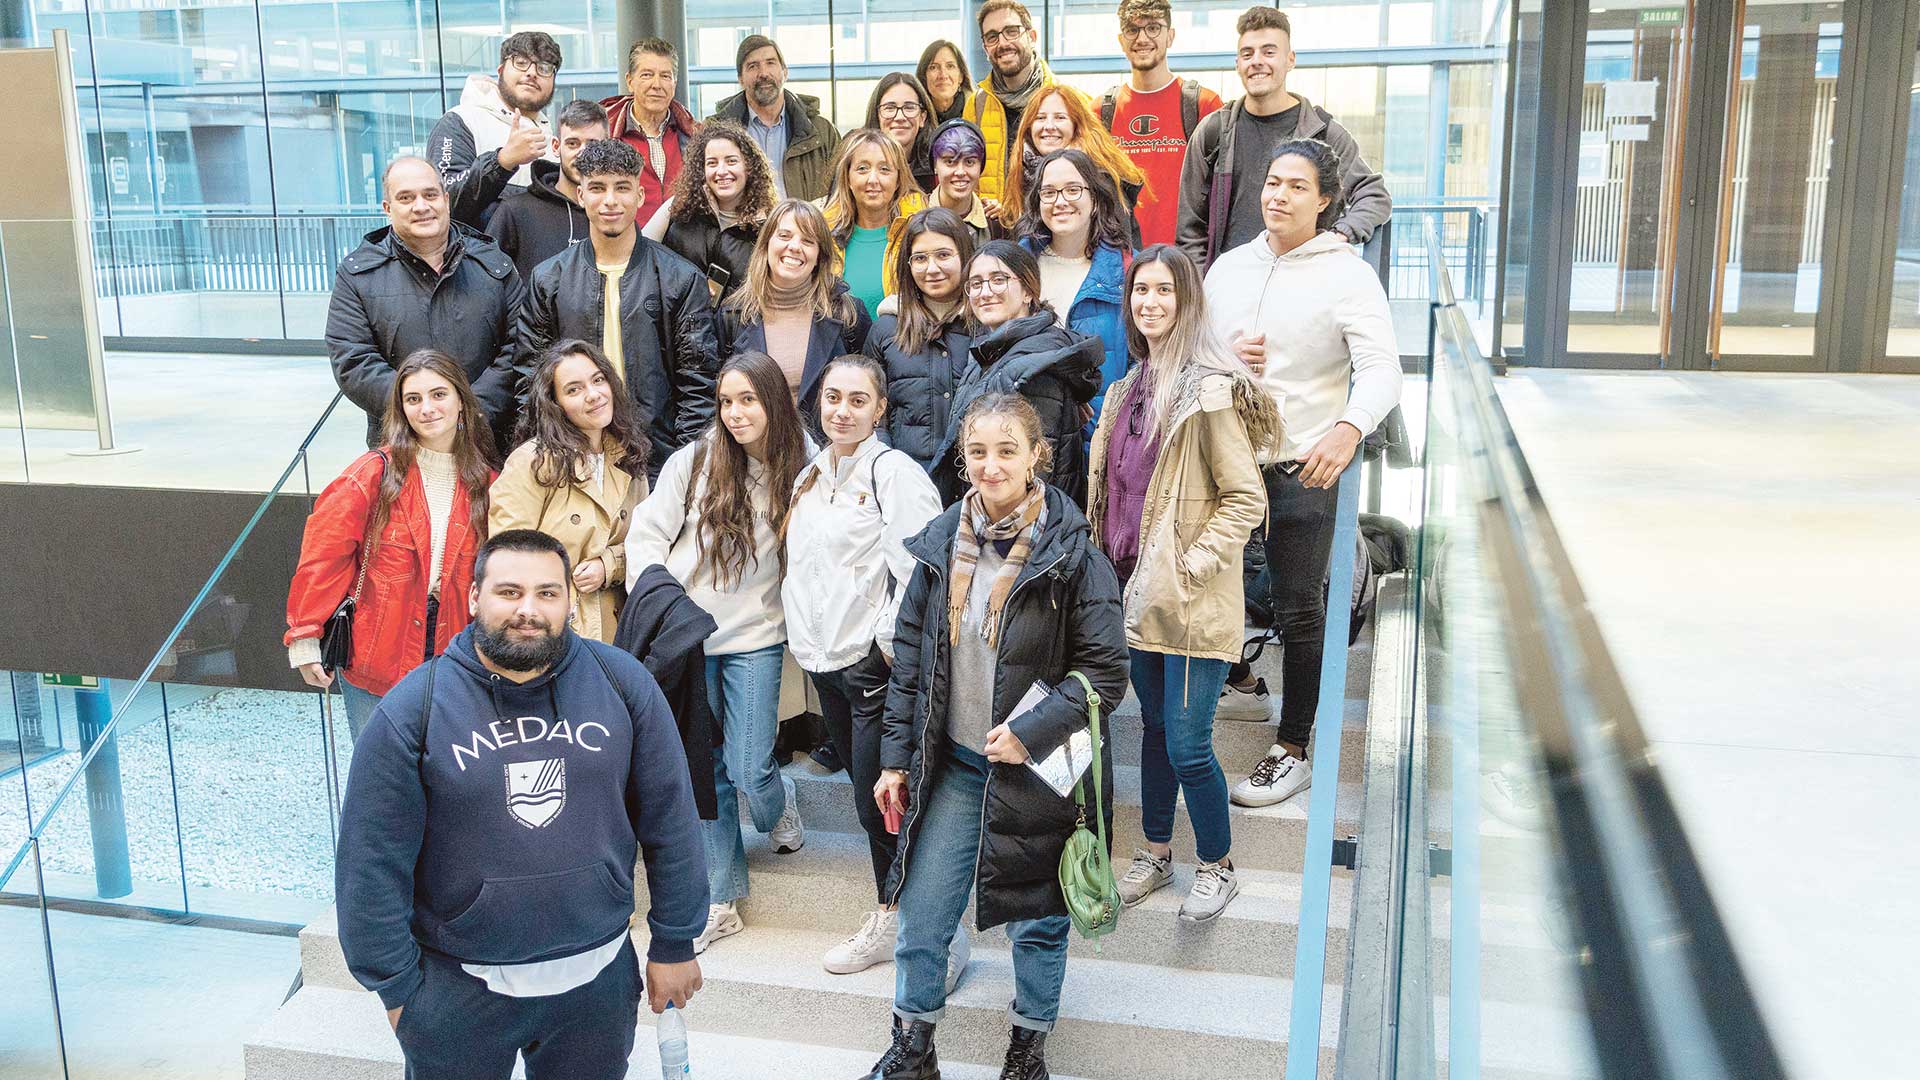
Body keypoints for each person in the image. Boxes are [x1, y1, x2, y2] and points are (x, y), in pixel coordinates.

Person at [334, 528, 707, 1080]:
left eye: (547, 593)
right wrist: (398, 991)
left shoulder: (622, 683)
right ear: (473, 597)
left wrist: (675, 941)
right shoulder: (415, 707)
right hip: (457, 989)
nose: (528, 610)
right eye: (509, 592)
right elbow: (371, 860)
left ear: (569, 601)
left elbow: (671, 819)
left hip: (597, 978)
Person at [857, 391, 1128, 1080]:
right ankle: (914, 1050)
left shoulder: (1074, 555)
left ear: (1038, 454)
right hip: (956, 763)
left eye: (1007, 450)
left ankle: (1027, 1052)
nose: (990, 465)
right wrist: (895, 761)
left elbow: (1105, 672)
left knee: (1038, 920)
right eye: (977, 451)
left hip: (1042, 769)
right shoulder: (941, 545)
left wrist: (1032, 732)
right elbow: (913, 665)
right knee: (922, 916)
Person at [1086, 245, 1278, 923]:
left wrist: (1194, 564)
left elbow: (1245, 498)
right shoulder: (1125, 389)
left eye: (1164, 291)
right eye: (1141, 291)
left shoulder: (1209, 392)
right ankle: (1158, 853)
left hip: (1191, 600)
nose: (1149, 303)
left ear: (1187, 301)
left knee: (1190, 742)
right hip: (1134, 597)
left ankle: (1219, 865)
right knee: (1156, 736)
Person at [1205, 138, 1400, 806]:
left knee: (1297, 605)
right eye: (1272, 182)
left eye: (1296, 186)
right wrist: (1228, 353)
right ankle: (1241, 687)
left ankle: (1294, 747)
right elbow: (1193, 349)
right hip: (1225, 455)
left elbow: (1382, 368)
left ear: (1324, 200)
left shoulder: (1346, 274)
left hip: (1305, 458)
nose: (1278, 196)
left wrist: (1349, 429)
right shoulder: (1229, 268)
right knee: (1212, 587)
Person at [625, 350, 812, 955]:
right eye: (725, 401)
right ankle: (721, 899)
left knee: (750, 762)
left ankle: (780, 805)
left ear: (773, 402)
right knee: (705, 770)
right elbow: (648, 532)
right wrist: (660, 600)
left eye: (747, 400)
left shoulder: (802, 461)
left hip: (757, 632)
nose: (733, 413)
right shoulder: (698, 458)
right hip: (690, 631)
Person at [781, 355, 945, 976]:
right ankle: (901, 911)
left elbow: (921, 571)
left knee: (885, 800)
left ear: (880, 409)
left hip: (872, 668)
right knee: (865, 797)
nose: (841, 411)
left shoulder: (893, 474)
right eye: (831, 398)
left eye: (856, 400)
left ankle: (901, 918)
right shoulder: (811, 474)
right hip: (826, 664)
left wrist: (883, 639)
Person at [287, 349, 497, 738]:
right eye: (413, 399)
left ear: (461, 403)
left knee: (450, 776)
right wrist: (304, 636)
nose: (427, 408)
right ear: (401, 410)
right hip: (377, 657)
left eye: (439, 395)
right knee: (380, 781)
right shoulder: (372, 474)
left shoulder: (488, 484)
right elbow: (323, 556)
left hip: (455, 658)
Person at [513, 139, 718, 481]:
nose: (610, 201)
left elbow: (698, 386)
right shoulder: (549, 278)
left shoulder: (680, 278)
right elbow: (531, 379)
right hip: (572, 458)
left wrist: (685, 470)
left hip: (658, 462)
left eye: (622, 188)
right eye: (597, 188)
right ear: (581, 196)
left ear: (639, 196)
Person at [326, 156, 521, 452]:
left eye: (430, 194)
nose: (421, 206)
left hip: (488, 441)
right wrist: (422, 410)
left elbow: (520, 347)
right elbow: (353, 360)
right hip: (402, 447)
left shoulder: (494, 265)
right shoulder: (357, 275)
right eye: (406, 198)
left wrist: (471, 410)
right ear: (388, 209)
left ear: (445, 199)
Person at [1177, 6, 1392, 272]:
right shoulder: (1214, 131)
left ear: (1290, 60)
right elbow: (1190, 229)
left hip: (1302, 283)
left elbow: (1373, 195)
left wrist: (1340, 234)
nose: (1257, 61)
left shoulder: (1323, 134)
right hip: (1230, 289)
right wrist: (1204, 289)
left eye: (1269, 52)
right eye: (1247, 53)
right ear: (1237, 64)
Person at [489, 340, 650, 644]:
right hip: (550, 628)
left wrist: (609, 565)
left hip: (617, 627)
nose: (593, 395)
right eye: (574, 390)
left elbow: (647, 546)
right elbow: (506, 554)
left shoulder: (630, 459)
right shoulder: (532, 462)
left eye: (598, 380)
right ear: (555, 403)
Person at [938, 240, 1101, 506]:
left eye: (998, 279)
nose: (985, 292)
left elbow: (1036, 471)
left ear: (1028, 291)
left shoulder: (1036, 363)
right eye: (976, 284)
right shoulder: (988, 353)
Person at [717, 198, 873, 413]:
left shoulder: (848, 314)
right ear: (766, 244)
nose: (794, 247)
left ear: (819, 255)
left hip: (828, 445)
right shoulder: (732, 315)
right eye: (784, 236)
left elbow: (868, 392)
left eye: (808, 241)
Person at [1017, 148, 1134, 418]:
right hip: (1030, 433)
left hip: (1102, 433)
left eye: (1073, 190)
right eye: (1049, 192)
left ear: (1094, 199)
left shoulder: (1127, 271)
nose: (1060, 201)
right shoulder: (1017, 269)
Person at [1100, 0, 1224, 248]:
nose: (1142, 38)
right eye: (1132, 30)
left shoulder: (1204, 105)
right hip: (1122, 260)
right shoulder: (1100, 112)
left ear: (1171, 36)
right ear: (1121, 40)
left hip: (1185, 259)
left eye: (1153, 28)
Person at [863, 208, 976, 479]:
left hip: (976, 479)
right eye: (920, 258)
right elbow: (872, 412)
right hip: (905, 481)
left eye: (943, 255)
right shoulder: (886, 329)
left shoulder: (986, 325)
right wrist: (887, 466)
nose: (932, 268)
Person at [429, 31, 562, 229]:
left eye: (544, 68)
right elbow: (442, 201)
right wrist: (501, 162)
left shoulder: (552, 136)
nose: (532, 73)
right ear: (500, 70)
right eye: (521, 62)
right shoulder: (461, 121)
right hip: (478, 257)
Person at [641, 120, 778, 302]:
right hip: (681, 322)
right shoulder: (678, 209)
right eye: (712, 163)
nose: (721, 171)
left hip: (739, 326)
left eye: (731, 161)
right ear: (701, 169)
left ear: (749, 167)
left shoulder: (768, 224)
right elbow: (640, 256)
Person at [1002, 85, 1147, 246]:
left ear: (1076, 125)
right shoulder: (1023, 174)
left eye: (1060, 118)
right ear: (1029, 127)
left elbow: (1119, 254)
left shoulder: (1100, 178)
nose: (1049, 126)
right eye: (1040, 118)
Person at [707, 35, 840, 201]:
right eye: (753, 66)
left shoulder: (821, 132)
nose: (763, 73)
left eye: (770, 63)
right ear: (740, 79)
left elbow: (839, 195)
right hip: (741, 226)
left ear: (785, 72)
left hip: (804, 226)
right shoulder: (715, 133)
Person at [487, 99, 605, 282]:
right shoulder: (516, 212)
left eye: (592, 144)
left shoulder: (613, 213)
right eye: (573, 143)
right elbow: (487, 282)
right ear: (556, 146)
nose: (582, 153)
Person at [821, 129, 927, 318]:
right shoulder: (823, 234)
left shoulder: (919, 232)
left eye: (884, 169)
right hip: (841, 346)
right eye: (862, 168)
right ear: (848, 178)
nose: (873, 179)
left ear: (897, 180)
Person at [600, 37, 701, 219]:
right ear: (630, 81)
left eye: (665, 76)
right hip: (626, 243)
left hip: (682, 244)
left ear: (674, 83)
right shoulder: (604, 133)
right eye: (647, 75)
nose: (657, 85)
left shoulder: (695, 135)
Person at [964, 1, 1054, 204]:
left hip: (1052, 227)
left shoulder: (1066, 99)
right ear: (985, 47)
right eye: (992, 37)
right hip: (995, 230)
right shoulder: (976, 105)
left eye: (1011, 31)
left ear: (1032, 37)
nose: (1003, 43)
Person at [926, 118, 1009, 247]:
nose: (960, 172)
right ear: (935, 166)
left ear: (981, 166)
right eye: (950, 162)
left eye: (969, 162)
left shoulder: (996, 223)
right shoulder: (915, 214)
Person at [864, 72, 938, 192]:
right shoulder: (855, 165)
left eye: (909, 107)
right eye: (890, 108)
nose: (899, 117)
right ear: (877, 115)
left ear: (922, 118)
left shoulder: (937, 168)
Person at [916, 40, 973, 125]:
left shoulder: (978, 110)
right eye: (933, 67)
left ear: (961, 76)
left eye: (950, 66)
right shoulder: (914, 116)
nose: (943, 75)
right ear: (924, 77)